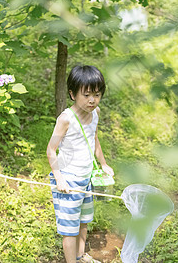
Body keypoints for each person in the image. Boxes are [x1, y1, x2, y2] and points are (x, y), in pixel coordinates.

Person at [46, 65, 114, 263]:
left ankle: (80, 255)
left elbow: (94, 139)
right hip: (68, 181)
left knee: (83, 221)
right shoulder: (66, 119)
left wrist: (103, 164)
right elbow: (51, 150)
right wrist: (59, 179)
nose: (92, 100)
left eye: (97, 94)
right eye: (86, 95)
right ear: (72, 94)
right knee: (69, 229)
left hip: (86, 178)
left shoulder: (96, 113)